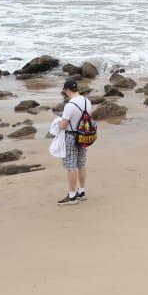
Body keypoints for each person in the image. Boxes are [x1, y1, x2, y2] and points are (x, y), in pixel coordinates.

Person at [54, 77, 94, 206]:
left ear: (67, 90)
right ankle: (81, 192)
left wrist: (58, 123)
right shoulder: (87, 101)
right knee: (81, 164)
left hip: (71, 137)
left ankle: (72, 196)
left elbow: (63, 125)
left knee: (71, 166)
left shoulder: (70, 105)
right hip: (84, 135)